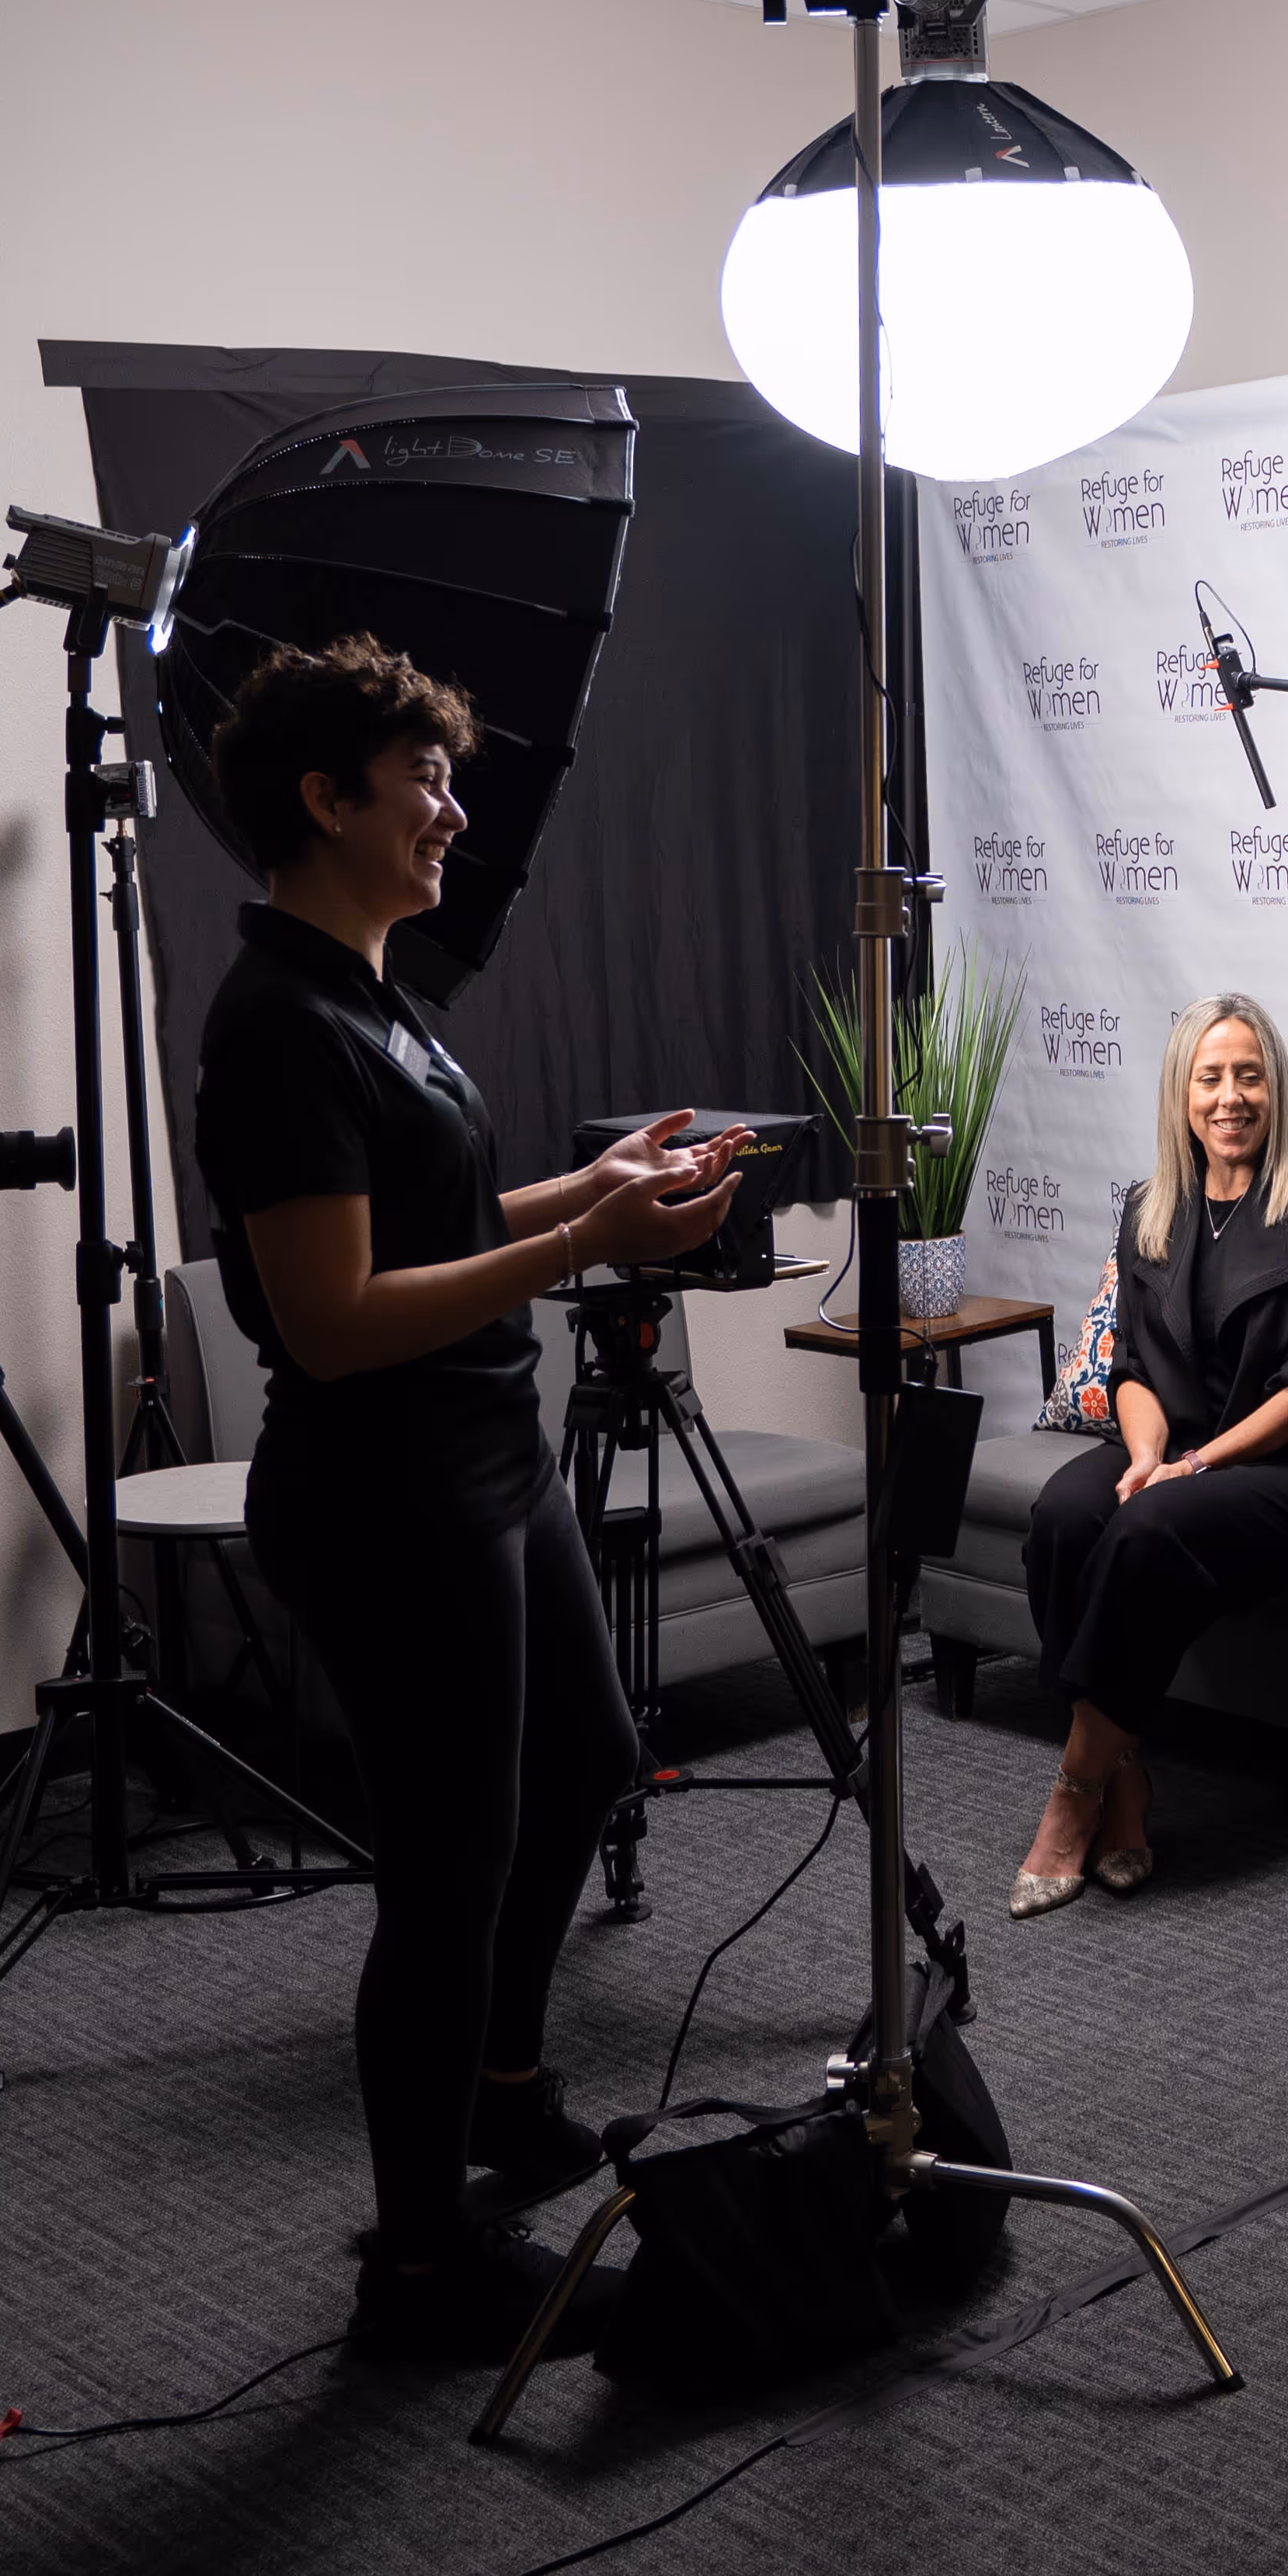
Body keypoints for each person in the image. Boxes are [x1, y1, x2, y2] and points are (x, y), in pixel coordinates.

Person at [193, 634, 743, 2366]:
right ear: (324, 798)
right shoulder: (276, 1020)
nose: (451, 810)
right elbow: (332, 1319)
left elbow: (417, 1221)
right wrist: (586, 1245)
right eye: (422, 781)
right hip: (386, 1484)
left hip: (488, 1459)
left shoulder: (368, 991)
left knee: (581, 1763)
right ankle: (417, 2259)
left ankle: (504, 2081)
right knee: (445, 1867)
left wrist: (588, 1181)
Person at [1014, 992, 1288, 1913]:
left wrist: (1190, 1470)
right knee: (1064, 1514)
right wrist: (1147, 1455)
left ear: (1276, 1089)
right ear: (1181, 1094)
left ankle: (1074, 1796)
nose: (1231, 1097)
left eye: (1249, 1076)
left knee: (1146, 1531)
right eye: (1210, 1077)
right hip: (1179, 1448)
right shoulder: (1153, 1205)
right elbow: (1133, 1365)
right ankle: (1128, 1774)